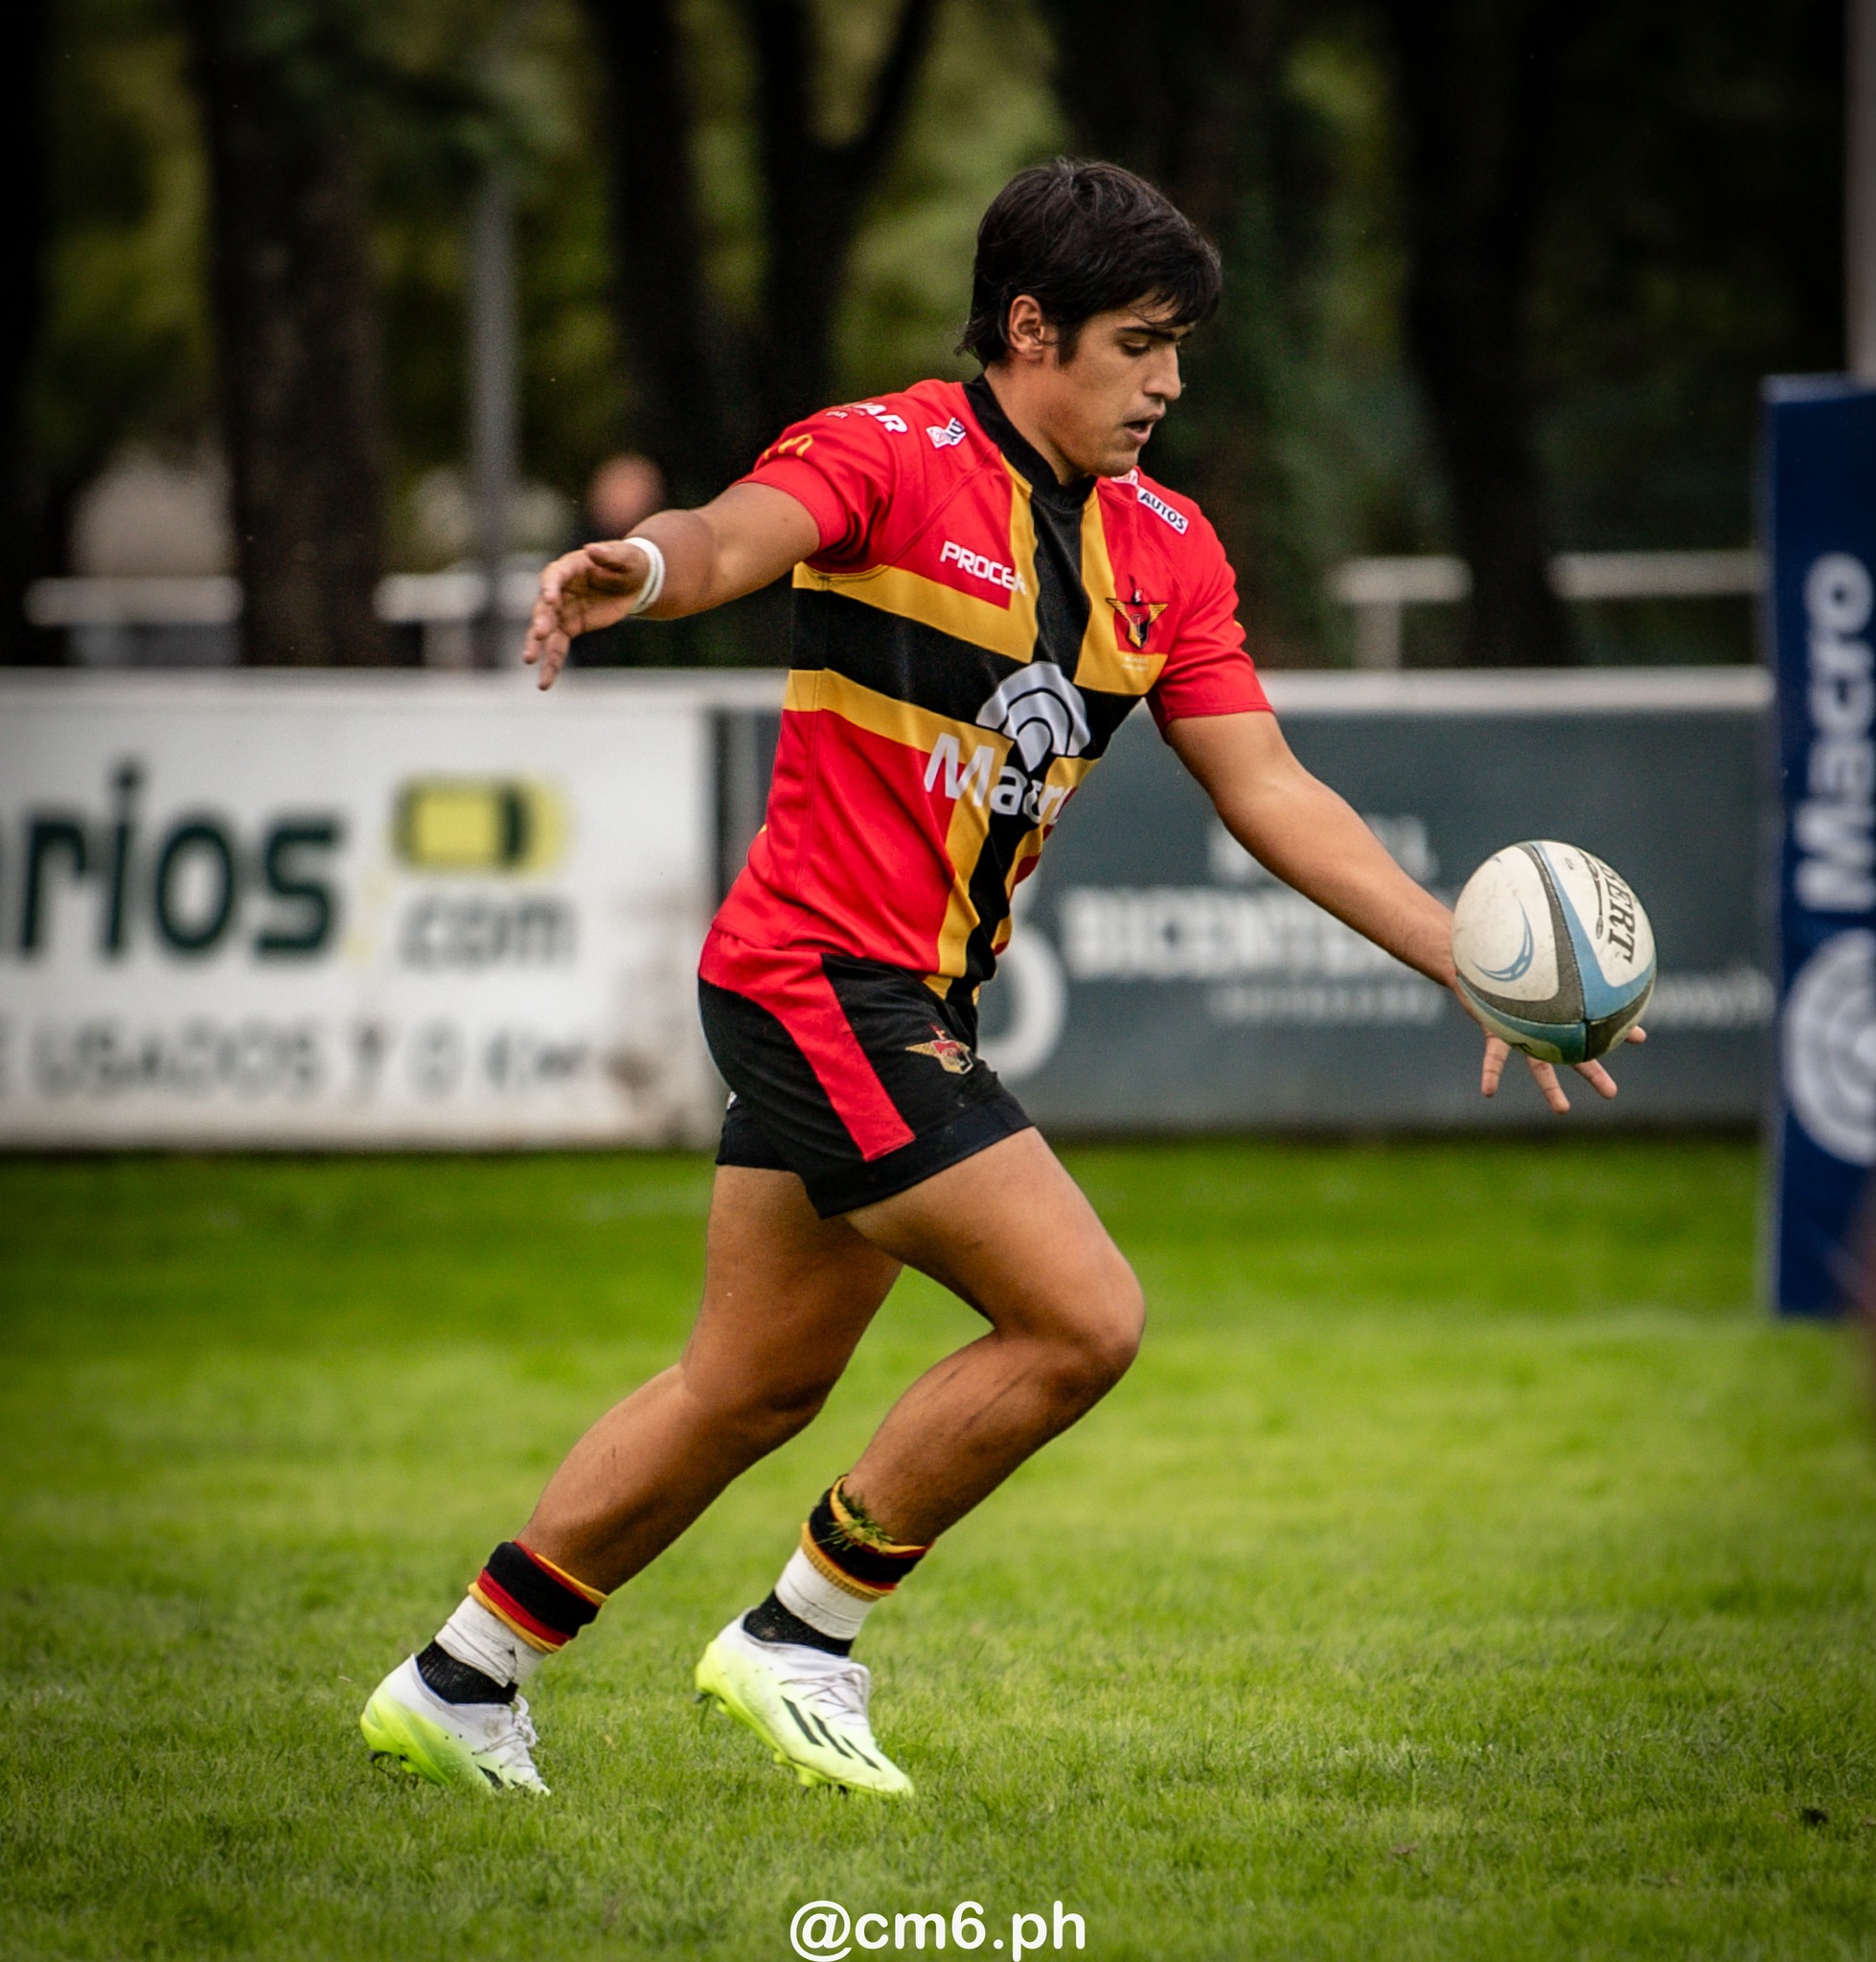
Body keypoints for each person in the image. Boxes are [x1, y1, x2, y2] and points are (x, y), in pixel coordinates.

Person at [359, 159, 1642, 1799]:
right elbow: (741, 532)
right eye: (1138, 344)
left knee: (744, 1387)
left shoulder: (1169, 553)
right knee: (1083, 1318)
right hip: (821, 979)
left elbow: (1269, 791)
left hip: (902, 1004)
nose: (1168, 383)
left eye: (1179, 349)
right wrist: (650, 570)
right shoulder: (886, 454)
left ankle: (461, 1681)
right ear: (1027, 328)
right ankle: (799, 1636)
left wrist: (1456, 952)